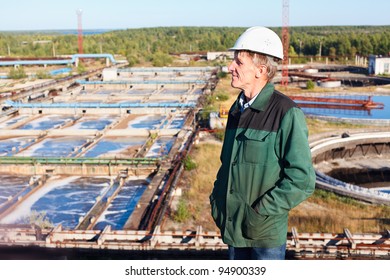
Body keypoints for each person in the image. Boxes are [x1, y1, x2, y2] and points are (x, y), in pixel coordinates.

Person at [209, 26, 316, 260]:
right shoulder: (237, 109)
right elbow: (227, 165)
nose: (230, 68)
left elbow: (302, 180)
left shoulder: (286, 113)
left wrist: (259, 212)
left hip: (264, 238)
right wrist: (217, 202)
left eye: (238, 62)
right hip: (233, 231)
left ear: (261, 70)